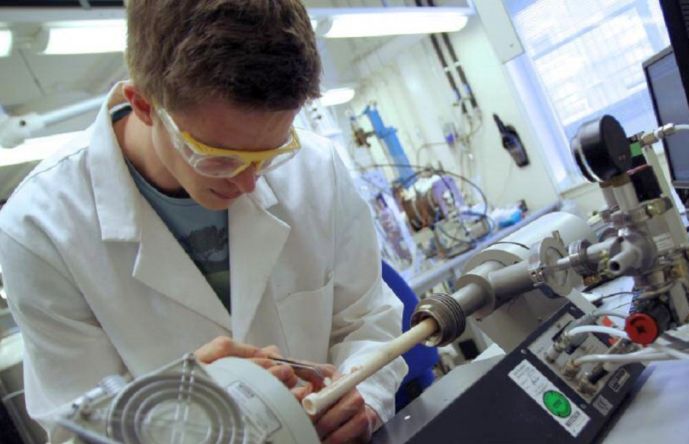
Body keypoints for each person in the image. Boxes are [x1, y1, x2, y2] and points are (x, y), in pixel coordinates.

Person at [0, 1, 407, 442]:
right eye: (218, 158)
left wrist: (363, 395)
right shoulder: (40, 230)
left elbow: (367, 318)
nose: (248, 183)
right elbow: (79, 432)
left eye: (269, 154)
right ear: (144, 104)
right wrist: (177, 412)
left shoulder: (315, 166)